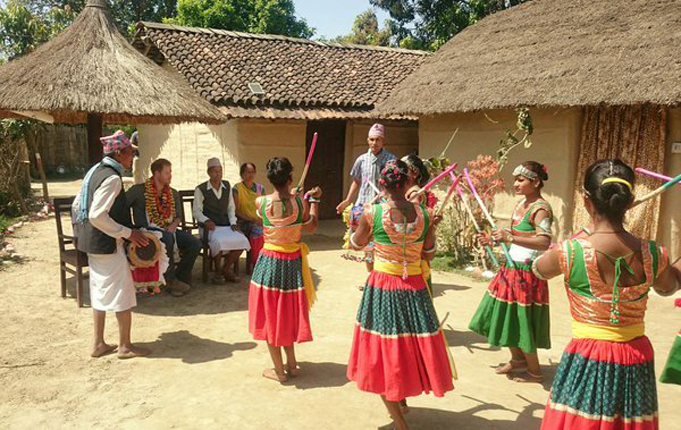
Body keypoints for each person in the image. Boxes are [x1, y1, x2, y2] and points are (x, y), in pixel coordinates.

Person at [533, 159, 680, 429]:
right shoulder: (653, 253)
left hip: (588, 355)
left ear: (587, 201)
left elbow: (539, 269)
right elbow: (668, 287)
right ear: (629, 201)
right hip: (635, 356)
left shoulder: (570, 251)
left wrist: (585, 231)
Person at [347, 160, 454, 430]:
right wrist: (429, 229)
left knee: (386, 348)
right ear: (407, 183)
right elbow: (429, 253)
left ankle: (399, 422)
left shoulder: (373, 212)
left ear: (382, 184)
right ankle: (402, 399)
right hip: (415, 286)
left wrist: (360, 229)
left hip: (384, 286)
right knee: (408, 342)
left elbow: (356, 244)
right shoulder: (426, 214)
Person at [469, 161, 553, 383]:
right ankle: (517, 359)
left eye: (521, 180)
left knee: (522, 319)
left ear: (535, 182)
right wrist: (493, 239)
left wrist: (510, 237)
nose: (516, 184)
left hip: (526, 273)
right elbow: (516, 232)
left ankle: (534, 371)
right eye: (515, 179)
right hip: (511, 268)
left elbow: (544, 241)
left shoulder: (540, 209)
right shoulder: (521, 205)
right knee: (507, 315)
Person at [72, 130, 151, 359]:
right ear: (118, 153)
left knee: (99, 292)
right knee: (123, 293)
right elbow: (97, 215)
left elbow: (79, 205)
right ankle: (125, 346)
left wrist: (83, 232)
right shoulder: (113, 178)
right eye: (129, 154)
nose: (132, 158)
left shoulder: (95, 171)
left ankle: (98, 344)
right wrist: (127, 233)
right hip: (107, 244)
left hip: (92, 244)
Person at [248, 157, 322, 382]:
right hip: (291, 265)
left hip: (268, 265)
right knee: (286, 313)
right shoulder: (300, 204)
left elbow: (275, 209)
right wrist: (314, 200)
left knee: (272, 315)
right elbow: (311, 226)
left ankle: (280, 371)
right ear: (290, 178)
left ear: (270, 179)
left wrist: (292, 194)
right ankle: (291, 364)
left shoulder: (260, 202)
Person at [126, 158, 201, 296]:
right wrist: (131, 228)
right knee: (167, 238)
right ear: (156, 173)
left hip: (168, 229)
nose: (170, 175)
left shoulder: (172, 193)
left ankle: (180, 276)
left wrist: (173, 225)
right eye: (167, 172)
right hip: (147, 231)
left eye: (170, 172)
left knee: (195, 243)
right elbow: (122, 206)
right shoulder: (139, 191)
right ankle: (171, 281)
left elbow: (178, 216)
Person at [336, 123, 396, 273]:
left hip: (382, 207)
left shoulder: (391, 161)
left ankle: (380, 273)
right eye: (371, 139)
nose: (374, 143)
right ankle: (371, 276)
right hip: (364, 207)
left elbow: (395, 183)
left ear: (383, 141)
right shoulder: (361, 160)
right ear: (367, 140)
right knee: (368, 246)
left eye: (377, 139)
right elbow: (357, 181)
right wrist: (347, 200)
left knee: (380, 241)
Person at [193, 157, 250, 284]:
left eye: (220, 171)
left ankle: (226, 268)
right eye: (214, 171)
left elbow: (231, 207)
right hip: (209, 227)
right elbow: (196, 211)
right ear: (209, 172)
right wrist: (206, 220)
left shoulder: (227, 186)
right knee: (218, 241)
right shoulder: (201, 189)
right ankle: (218, 273)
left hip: (225, 225)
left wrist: (233, 222)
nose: (218, 174)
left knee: (242, 240)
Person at [233, 162, 266, 273]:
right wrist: (252, 220)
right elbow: (236, 211)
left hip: (257, 220)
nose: (250, 175)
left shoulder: (260, 189)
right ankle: (256, 264)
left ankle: (261, 262)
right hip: (243, 221)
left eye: (252, 172)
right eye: (247, 172)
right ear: (242, 174)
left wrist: (261, 220)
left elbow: (263, 208)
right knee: (257, 230)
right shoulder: (237, 188)